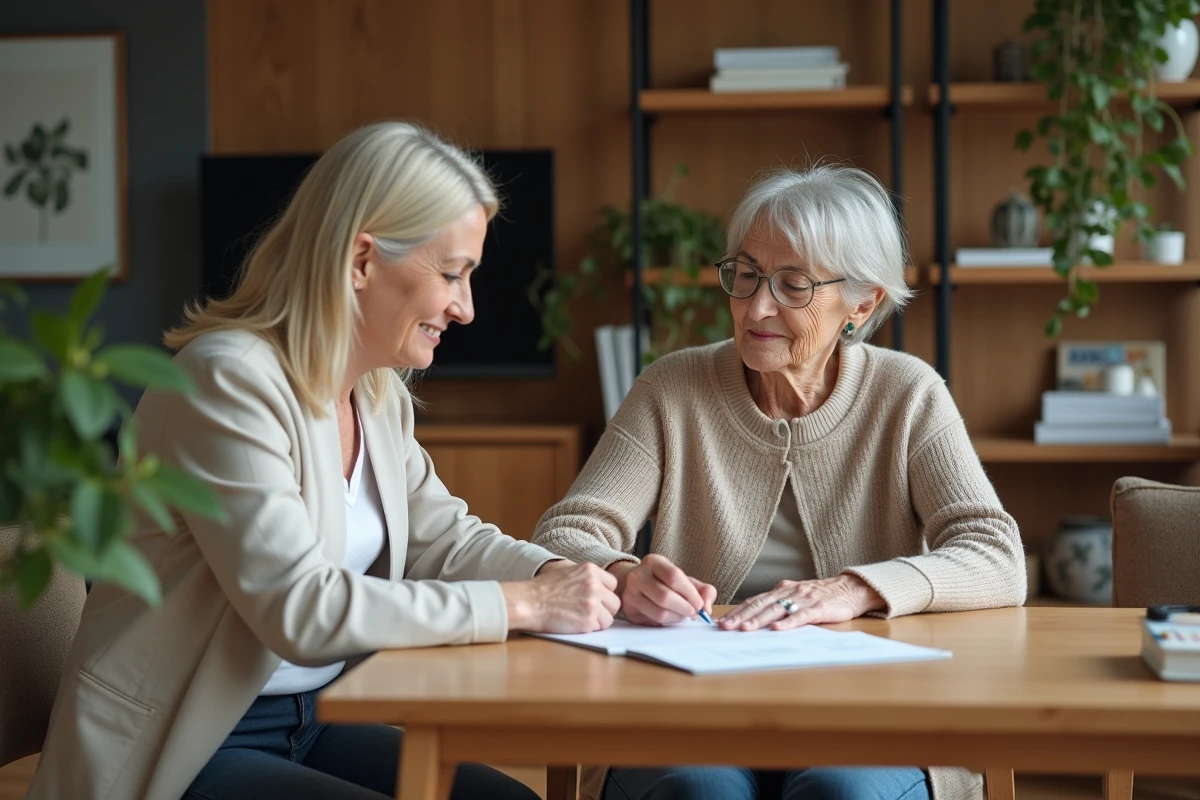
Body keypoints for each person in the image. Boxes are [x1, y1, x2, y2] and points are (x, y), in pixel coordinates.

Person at [28, 121, 620, 800]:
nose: (465, 309)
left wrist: (582, 578)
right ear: (362, 261)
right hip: (188, 735)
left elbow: (443, 538)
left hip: (309, 717)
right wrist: (525, 604)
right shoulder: (227, 382)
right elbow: (300, 608)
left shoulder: (376, 392)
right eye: (452, 275)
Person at [533, 164, 1026, 800]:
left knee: (841, 792)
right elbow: (566, 532)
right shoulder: (672, 389)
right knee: (695, 791)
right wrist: (625, 576)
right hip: (692, 704)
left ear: (864, 301)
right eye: (744, 276)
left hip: (869, 708)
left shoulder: (907, 395)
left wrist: (856, 590)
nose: (757, 307)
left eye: (793, 286)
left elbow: (996, 552)